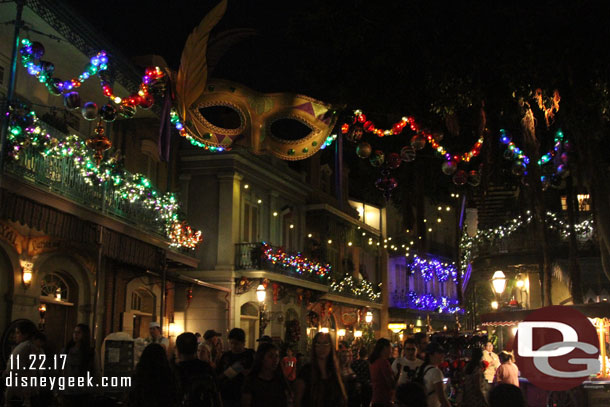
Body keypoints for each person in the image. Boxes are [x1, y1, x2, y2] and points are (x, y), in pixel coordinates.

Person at [294, 332, 347, 407]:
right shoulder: (306, 371)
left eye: (325, 343)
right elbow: (297, 401)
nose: (322, 347)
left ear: (330, 347)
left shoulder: (335, 372)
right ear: (314, 347)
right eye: (318, 343)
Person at [2, 320, 42, 407]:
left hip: (23, 391)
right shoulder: (25, 346)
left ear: (25, 334)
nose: (15, 336)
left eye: (18, 333)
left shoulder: (28, 346)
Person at [174, 332, 221, 407]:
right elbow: (216, 393)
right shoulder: (207, 368)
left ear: (177, 350)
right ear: (196, 348)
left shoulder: (174, 370)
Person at [242, 343, 292, 407]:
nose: (275, 360)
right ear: (261, 358)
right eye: (270, 356)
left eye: (277, 356)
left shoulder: (280, 380)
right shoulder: (251, 381)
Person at [216, 328, 255, 407]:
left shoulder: (250, 355)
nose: (233, 346)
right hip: (227, 393)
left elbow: (256, 371)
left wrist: (246, 372)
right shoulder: (226, 356)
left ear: (243, 342)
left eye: (236, 343)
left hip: (243, 393)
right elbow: (219, 374)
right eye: (231, 343)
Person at [60, 323, 95, 407]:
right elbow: (59, 369)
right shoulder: (66, 350)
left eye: (79, 333)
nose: (75, 335)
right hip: (68, 389)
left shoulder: (90, 352)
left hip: (83, 390)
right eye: (74, 332)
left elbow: (95, 371)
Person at [418, 342, 450, 407]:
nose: (442, 355)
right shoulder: (435, 372)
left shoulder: (423, 368)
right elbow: (442, 398)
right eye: (439, 353)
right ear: (431, 355)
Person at [369, 338, 395, 407]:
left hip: (376, 398)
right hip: (384, 399)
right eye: (391, 348)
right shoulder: (383, 362)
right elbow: (390, 383)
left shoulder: (375, 362)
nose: (391, 351)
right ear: (385, 348)